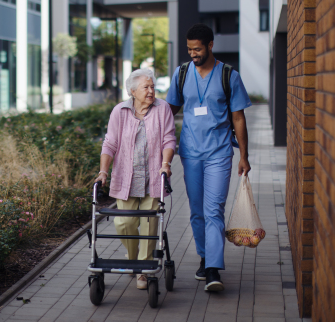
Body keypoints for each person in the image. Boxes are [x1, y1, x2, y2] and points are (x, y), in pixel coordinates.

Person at [166, 23, 251, 292]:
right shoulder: (181, 74)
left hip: (219, 153)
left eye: (198, 49)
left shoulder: (228, 75)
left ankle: (213, 268)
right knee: (196, 210)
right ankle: (204, 256)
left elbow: (238, 117)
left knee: (214, 209)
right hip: (190, 153)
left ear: (211, 45)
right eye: (189, 49)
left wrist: (244, 156)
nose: (193, 54)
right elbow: (169, 109)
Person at [95, 68, 176, 290]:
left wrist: (165, 165)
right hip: (126, 177)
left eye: (153, 87)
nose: (151, 91)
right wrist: (103, 171)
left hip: (153, 177)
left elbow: (169, 139)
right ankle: (132, 259)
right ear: (133, 91)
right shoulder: (119, 111)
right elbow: (110, 143)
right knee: (124, 223)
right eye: (146, 87)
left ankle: (142, 269)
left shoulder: (163, 109)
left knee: (150, 224)